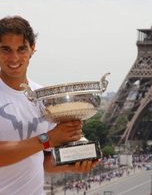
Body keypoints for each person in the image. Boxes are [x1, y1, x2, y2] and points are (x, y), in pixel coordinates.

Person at [0, 16, 99, 194]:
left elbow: (44, 161)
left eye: (21, 49)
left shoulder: (44, 97)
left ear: (32, 49)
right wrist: (47, 139)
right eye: (6, 49)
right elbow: (45, 142)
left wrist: (71, 163)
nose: (14, 57)